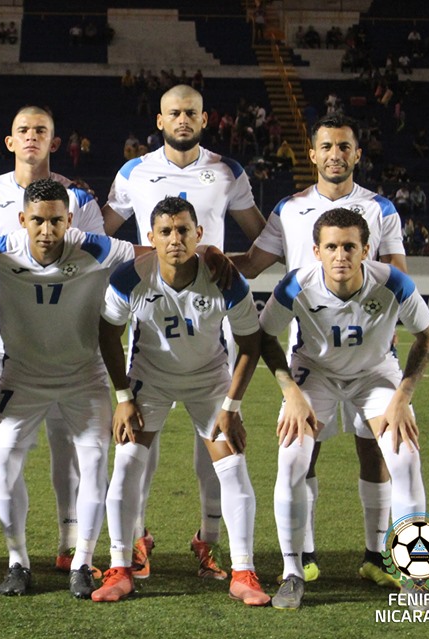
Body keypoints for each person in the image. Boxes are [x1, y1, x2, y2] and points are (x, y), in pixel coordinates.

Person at [232, 113, 407, 588]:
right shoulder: (289, 210)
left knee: (373, 452)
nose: (335, 154)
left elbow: (396, 275)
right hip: (309, 353)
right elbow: (250, 265)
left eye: (344, 146)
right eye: (326, 146)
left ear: (357, 154)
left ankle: (376, 555)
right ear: (311, 154)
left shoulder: (380, 208)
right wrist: (202, 256)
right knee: (304, 453)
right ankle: (304, 556)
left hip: (372, 354)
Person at [102, 84, 266, 581]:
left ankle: (210, 541)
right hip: (153, 317)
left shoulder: (227, 171)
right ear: (159, 119)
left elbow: (263, 244)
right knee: (138, 451)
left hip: (213, 313)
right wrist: (142, 263)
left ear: (204, 118)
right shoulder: (134, 171)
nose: (182, 119)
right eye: (174, 112)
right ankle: (136, 542)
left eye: (191, 112)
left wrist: (223, 265)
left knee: (214, 445)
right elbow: (102, 232)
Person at [0, 179, 137, 598]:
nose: (47, 229)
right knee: (4, 461)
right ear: (22, 219)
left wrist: (207, 258)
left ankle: (83, 563)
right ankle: (18, 561)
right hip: (22, 377)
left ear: (69, 220)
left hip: (84, 375)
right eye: (37, 220)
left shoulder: (95, 246)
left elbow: (151, 257)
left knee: (93, 465)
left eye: (57, 220)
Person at [94, 196, 269, 606]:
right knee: (125, 467)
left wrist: (232, 406)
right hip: (149, 381)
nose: (175, 239)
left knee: (232, 466)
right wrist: (122, 397)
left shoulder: (224, 278)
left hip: (208, 383)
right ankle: (120, 567)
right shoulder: (130, 277)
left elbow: (250, 343)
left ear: (199, 235)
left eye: (184, 230)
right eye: (166, 232)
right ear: (150, 238)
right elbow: (107, 334)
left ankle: (244, 571)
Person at [260, 208, 429, 609]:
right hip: (314, 373)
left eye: (348, 246)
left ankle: (414, 576)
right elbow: (264, 336)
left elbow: (428, 336)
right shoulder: (296, 285)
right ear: (316, 251)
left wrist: (402, 398)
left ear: (365, 250)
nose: (340, 255)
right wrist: (290, 391)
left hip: (375, 375)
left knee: (405, 457)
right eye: (331, 247)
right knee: (292, 458)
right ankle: (292, 571)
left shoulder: (392, 282)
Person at [0, 107, 105, 575]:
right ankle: (0, 550)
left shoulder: (79, 197)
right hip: (8, 348)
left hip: (72, 345)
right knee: (3, 451)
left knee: (70, 448)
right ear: (10, 140)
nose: (32, 137)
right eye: (24, 130)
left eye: (42, 131)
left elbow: (94, 263)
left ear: (55, 142)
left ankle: (68, 540)